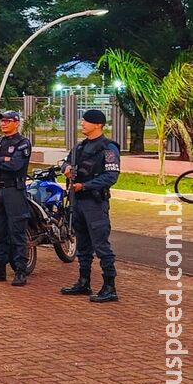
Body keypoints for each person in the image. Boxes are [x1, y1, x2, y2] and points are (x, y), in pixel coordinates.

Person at [60, 109, 121, 302]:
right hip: (77, 202)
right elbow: (64, 162)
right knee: (83, 245)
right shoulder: (79, 147)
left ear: (98, 125)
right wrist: (66, 169)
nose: (82, 123)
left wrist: (85, 185)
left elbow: (111, 176)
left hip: (95, 202)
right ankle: (84, 282)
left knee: (101, 245)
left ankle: (110, 287)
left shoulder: (108, 148)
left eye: (86, 121)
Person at [0, 110, 33, 286]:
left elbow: (16, 165)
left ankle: (20, 271)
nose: (3, 124)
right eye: (2, 121)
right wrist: (4, 158)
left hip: (14, 192)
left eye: (8, 121)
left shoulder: (23, 143)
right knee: (0, 233)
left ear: (17, 123)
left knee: (17, 233)